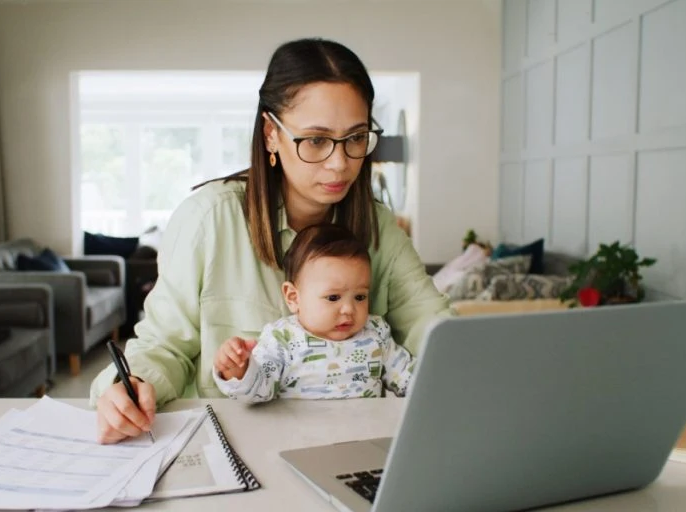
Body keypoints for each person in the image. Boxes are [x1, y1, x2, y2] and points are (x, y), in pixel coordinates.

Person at [90, 37, 450, 444]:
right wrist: (130, 385)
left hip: (354, 444)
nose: (340, 162)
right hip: (232, 446)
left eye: (355, 138)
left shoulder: (380, 227)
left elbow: (433, 328)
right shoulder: (208, 219)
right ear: (270, 134)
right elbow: (164, 345)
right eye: (315, 140)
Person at [213, 224, 415, 402]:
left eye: (360, 297)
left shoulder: (376, 333)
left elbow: (408, 378)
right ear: (293, 297)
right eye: (333, 298)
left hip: (365, 433)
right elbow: (258, 391)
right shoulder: (282, 339)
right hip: (300, 438)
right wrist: (239, 370)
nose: (349, 309)